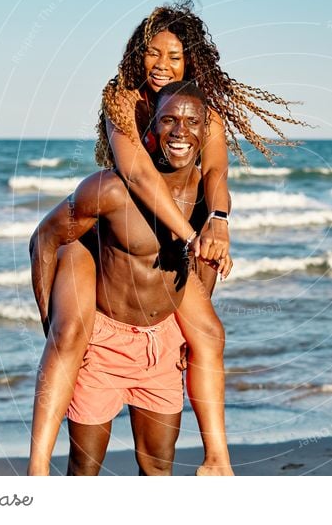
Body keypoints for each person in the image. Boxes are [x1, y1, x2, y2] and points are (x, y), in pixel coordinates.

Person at [28, 0, 308, 476]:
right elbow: (136, 171)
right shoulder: (122, 98)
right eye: (152, 53)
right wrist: (190, 233)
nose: (161, 65)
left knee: (209, 333)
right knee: (69, 333)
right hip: (102, 232)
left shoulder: (203, 111)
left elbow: (217, 170)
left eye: (174, 56)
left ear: (191, 60)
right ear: (138, 55)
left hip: (164, 240)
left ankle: (218, 459)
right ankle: (36, 472)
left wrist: (218, 220)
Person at [30, 82, 215, 475]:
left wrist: (190, 332)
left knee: (157, 471)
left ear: (206, 131)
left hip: (162, 347)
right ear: (151, 131)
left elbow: (205, 261)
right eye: (169, 120)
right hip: (103, 347)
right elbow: (45, 238)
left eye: (191, 121)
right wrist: (54, 328)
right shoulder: (110, 190)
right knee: (84, 471)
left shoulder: (205, 197)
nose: (181, 130)